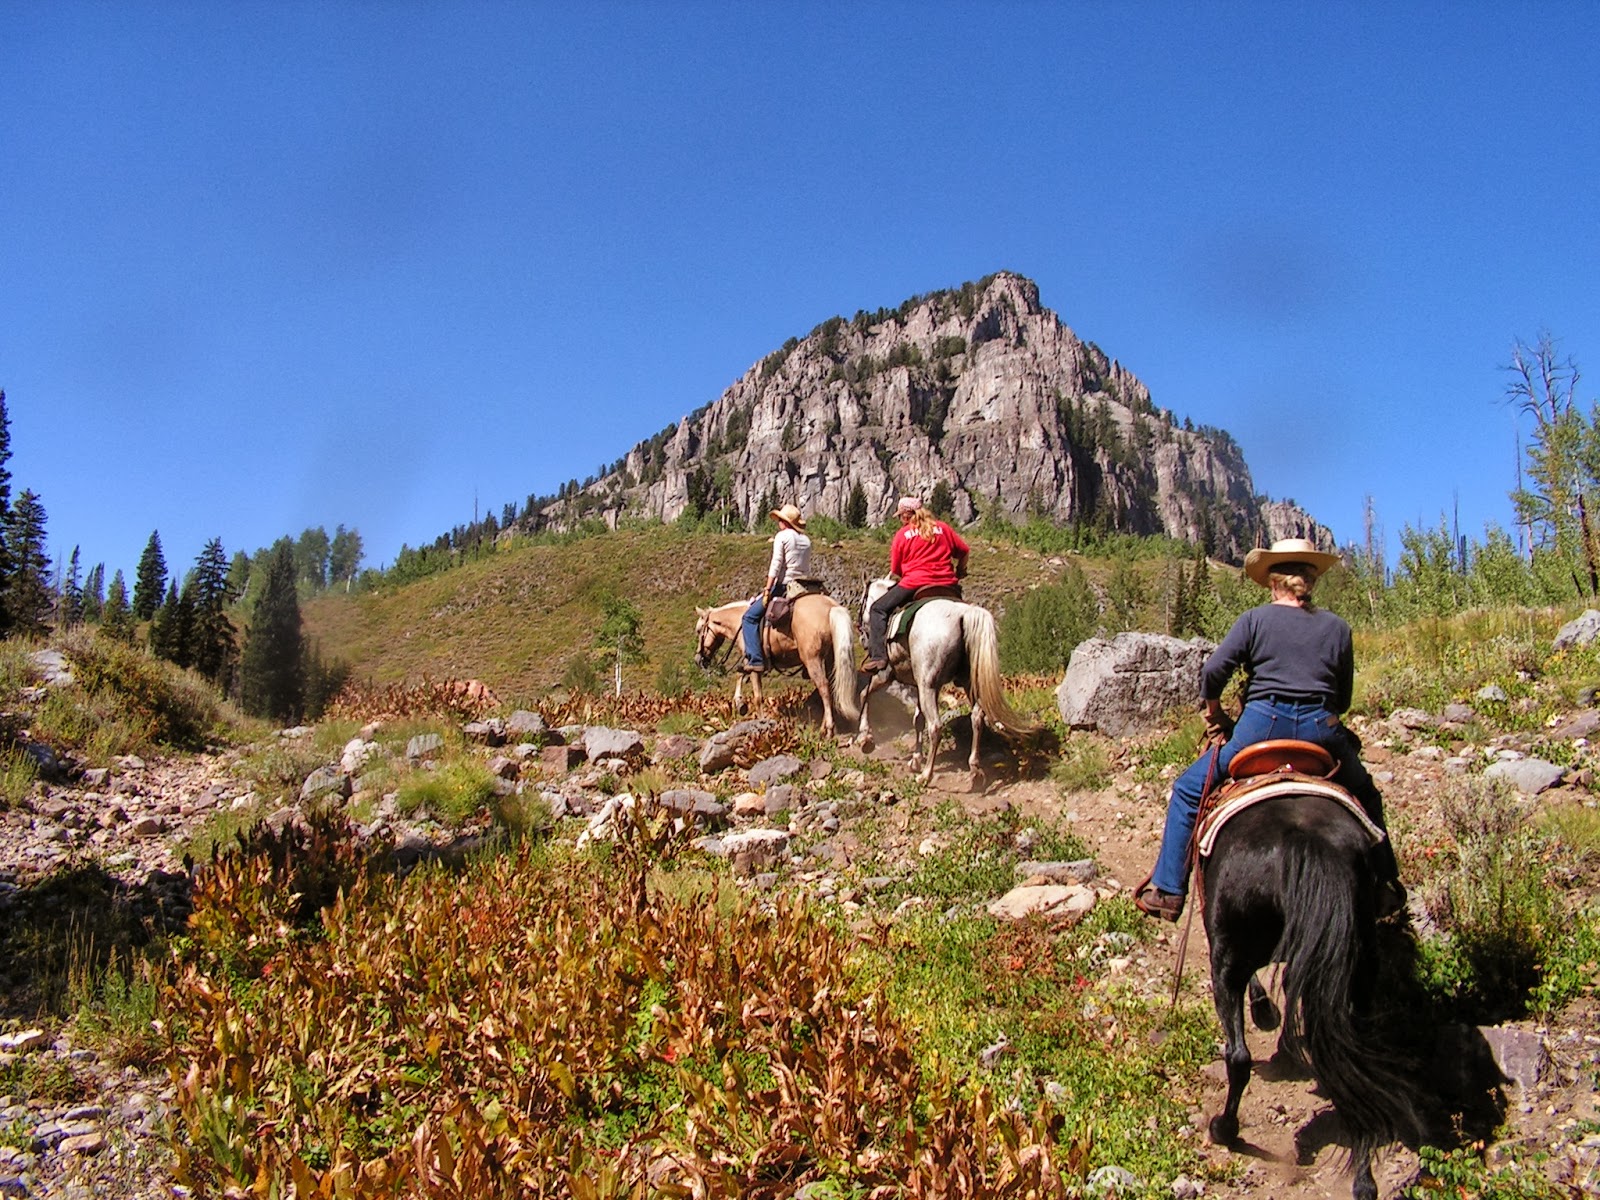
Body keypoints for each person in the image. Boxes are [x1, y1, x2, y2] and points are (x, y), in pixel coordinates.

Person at [1133, 537, 1405, 922]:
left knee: (1188, 790)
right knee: (1365, 793)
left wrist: (1215, 712)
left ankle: (1169, 891)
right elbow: (1342, 701)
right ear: (1310, 580)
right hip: (1321, 729)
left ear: (1273, 582)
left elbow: (1213, 672)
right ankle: (1384, 882)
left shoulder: (1254, 620)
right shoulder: (1338, 628)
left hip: (1260, 726)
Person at [861, 496, 970, 674]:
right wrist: (960, 571)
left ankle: (879, 657)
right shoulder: (943, 528)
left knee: (878, 609)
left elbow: (896, 569)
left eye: (900, 517)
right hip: (947, 583)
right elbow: (964, 551)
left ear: (905, 515)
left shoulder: (902, 535)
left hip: (915, 583)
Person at [741, 503, 812, 673]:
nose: (778, 522)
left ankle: (756, 659)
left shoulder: (782, 536)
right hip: (806, 586)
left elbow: (776, 565)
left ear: (784, 522)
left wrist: (767, 589)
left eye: (780, 519)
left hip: (785, 586)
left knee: (749, 617)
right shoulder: (806, 540)